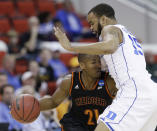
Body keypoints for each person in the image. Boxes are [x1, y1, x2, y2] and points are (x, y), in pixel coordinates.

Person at [54, 3, 157, 131]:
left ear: (103, 19)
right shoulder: (127, 34)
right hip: (150, 91)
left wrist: (70, 47)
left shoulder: (109, 29)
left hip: (134, 93)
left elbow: (110, 46)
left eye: (92, 23)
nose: (91, 28)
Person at [39, 54, 117, 131]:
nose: (98, 66)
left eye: (99, 62)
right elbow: (53, 101)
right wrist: (35, 104)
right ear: (83, 65)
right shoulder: (70, 81)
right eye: (93, 63)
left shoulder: (110, 81)